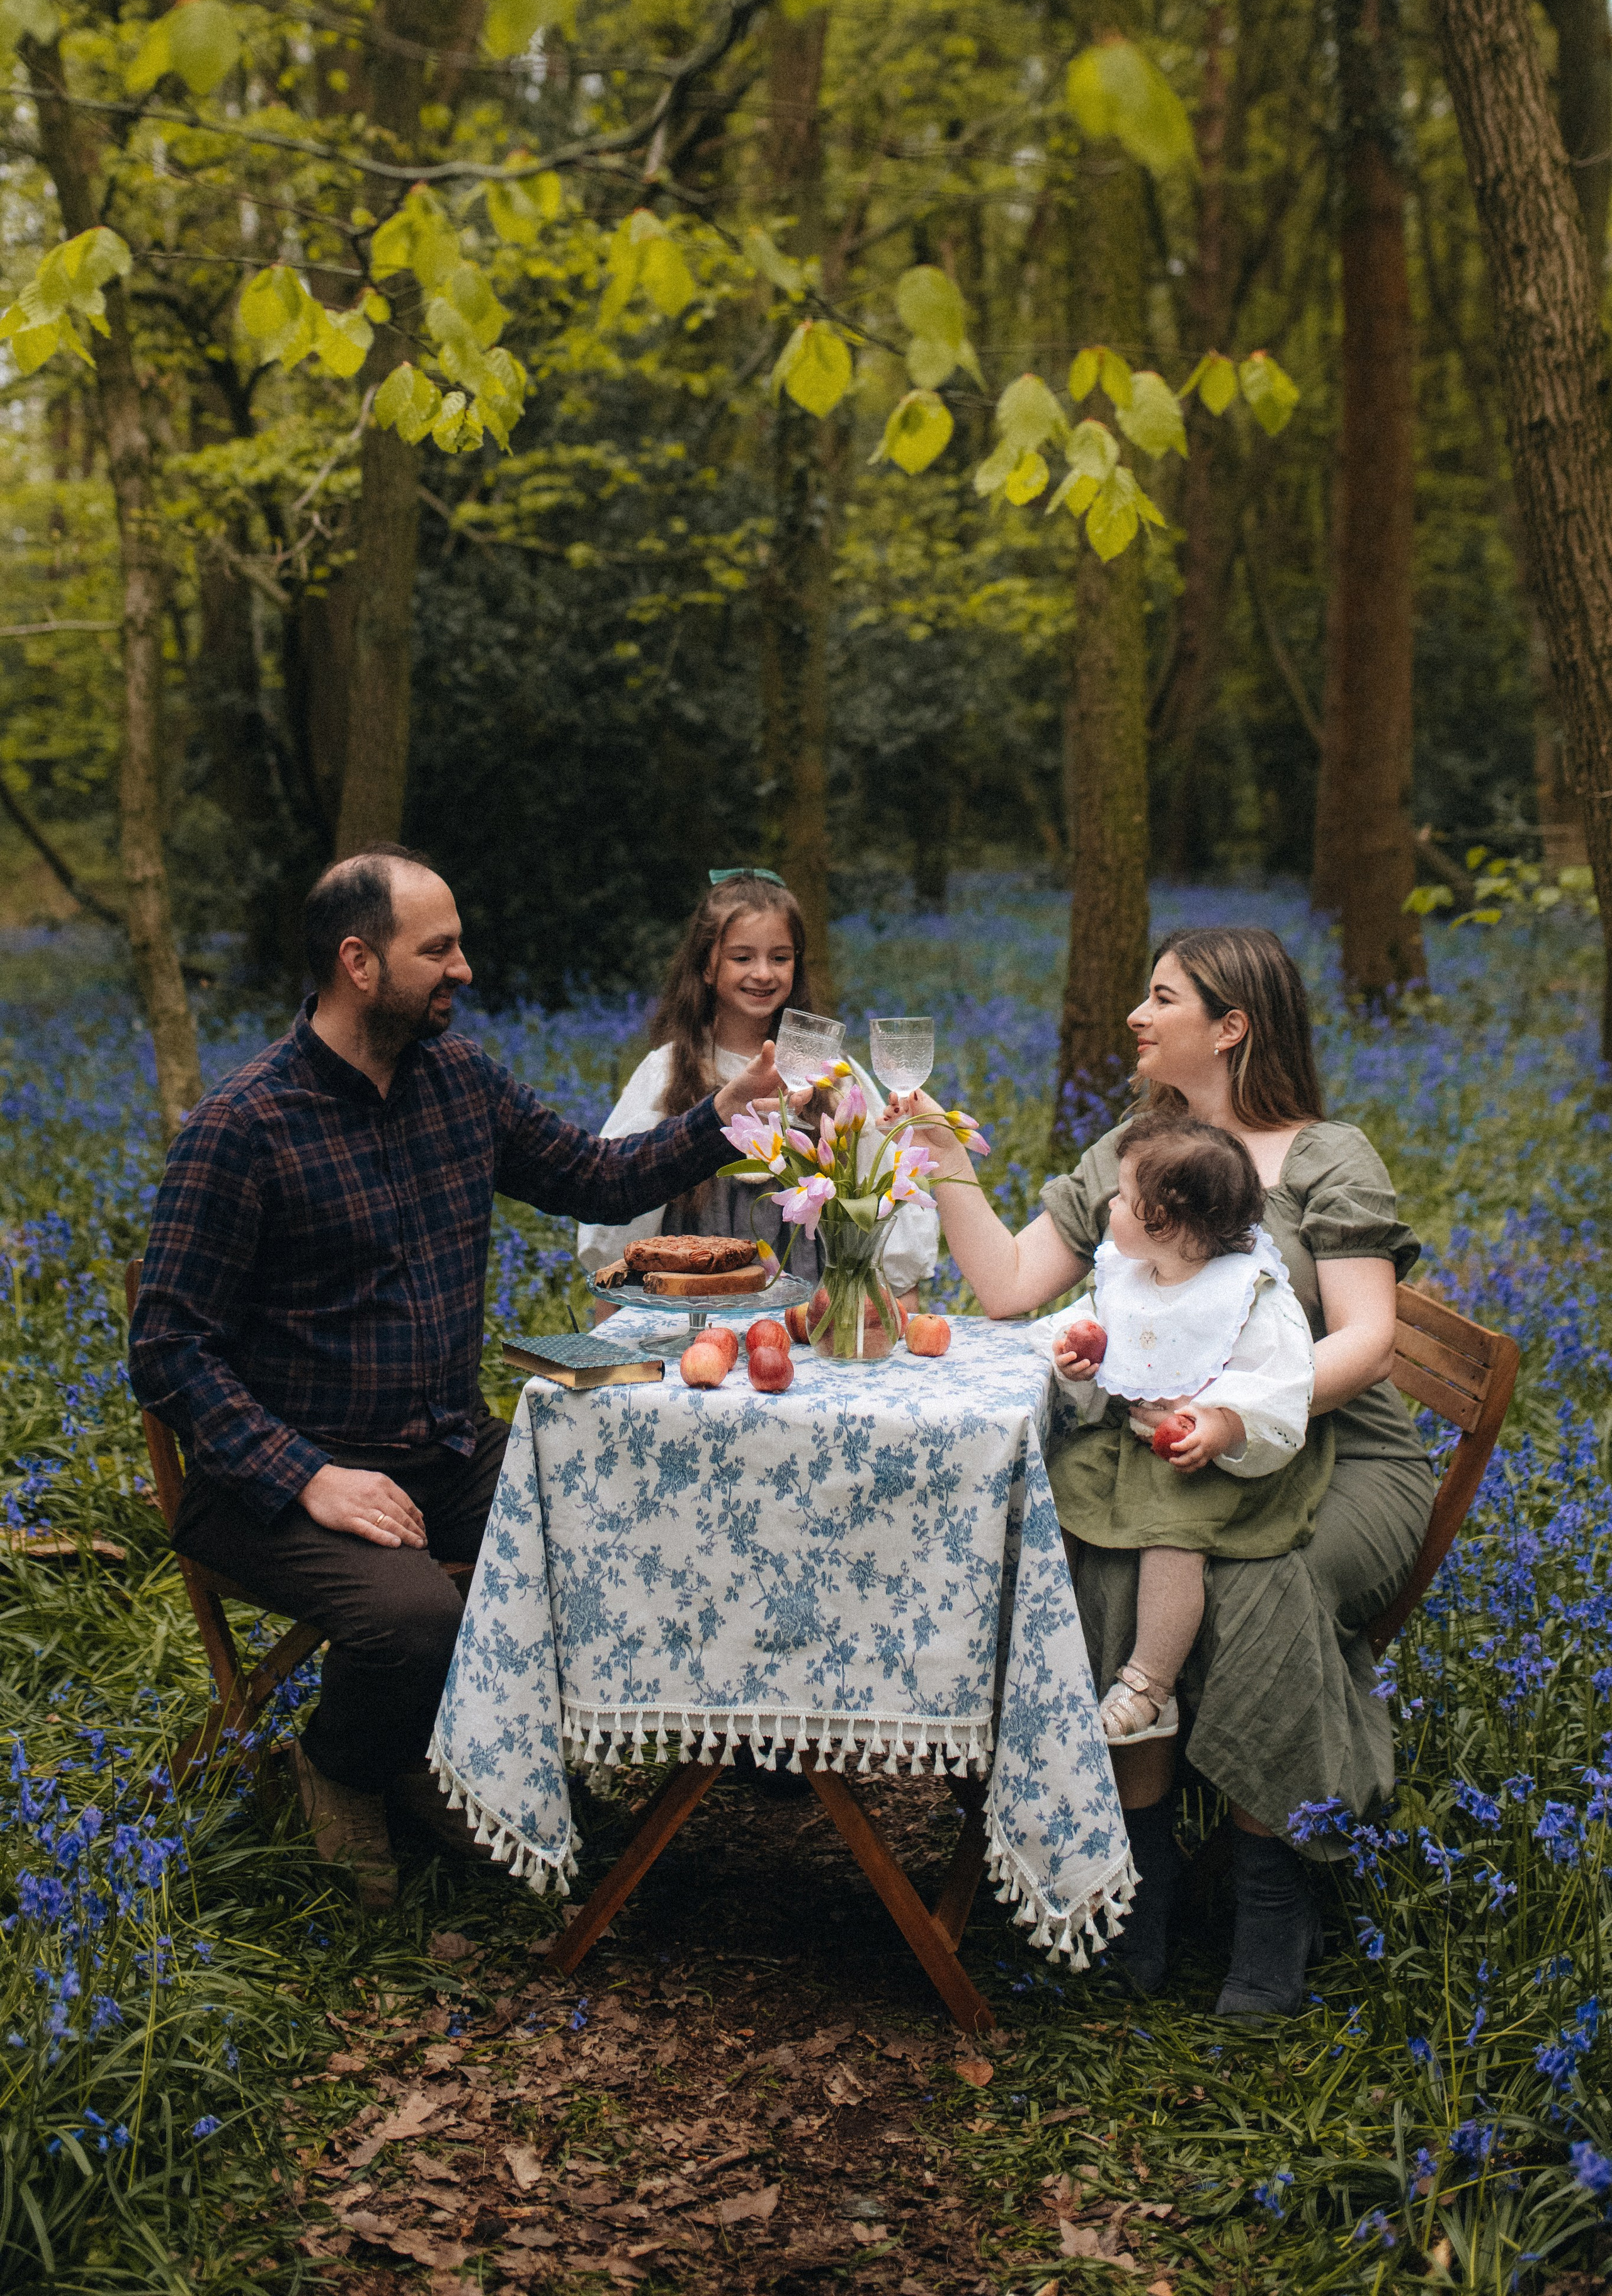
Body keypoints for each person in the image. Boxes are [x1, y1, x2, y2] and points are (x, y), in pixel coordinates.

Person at [128, 845, 785, 1913]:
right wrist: (307, 1476)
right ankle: (344, 1766)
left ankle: (460, 1758)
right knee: (415, 1617)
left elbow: (588, 1172)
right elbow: (167, 1348)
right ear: (359, 961)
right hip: (276, 1486)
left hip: (439, 1445)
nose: (465, 969)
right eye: (439, 950)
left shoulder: (459, 1082)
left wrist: (723, 1119)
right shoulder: (244, 1128)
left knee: (618, 1523)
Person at [884, 925, 1433, 2015]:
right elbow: (1008, 1285)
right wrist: (942, 1164)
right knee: (1117, 1554)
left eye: (1162, 997)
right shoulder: (1134, 1152)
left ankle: (1276, 1897)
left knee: (1270, 1575)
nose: (1135, 1016)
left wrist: (1229, 1407)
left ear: (1229, 1027)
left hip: (1332, 1445)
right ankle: (1140, 1876)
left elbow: (1367, 1339)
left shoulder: (1329, 1157)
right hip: (1176, 1453)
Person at [1048, 1109, 1327, 1750]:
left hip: (1210, 1463)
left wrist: (1220, 1421)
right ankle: (1041, 1639)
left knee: (1171, 1540)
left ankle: (1151, 1687)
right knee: (1059, 1484)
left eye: (1122, 1196)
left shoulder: (1246, 1293)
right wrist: (1079, 1359)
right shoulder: (1133, 1273)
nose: (1109, 1205)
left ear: (1162, 1220)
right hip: (1134, 1444)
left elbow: (1282, 1379)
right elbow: (1108, 1331)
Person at [578, 868, 938, 1302]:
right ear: (707, 967)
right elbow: (620, 1216)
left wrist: (902, 1306)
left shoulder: (830, 1073)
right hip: (694, 1307)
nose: (763, 973)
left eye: (780, 957)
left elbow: (885, 1185)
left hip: (807, 1310)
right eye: (742, 957)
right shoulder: (669, 1070)